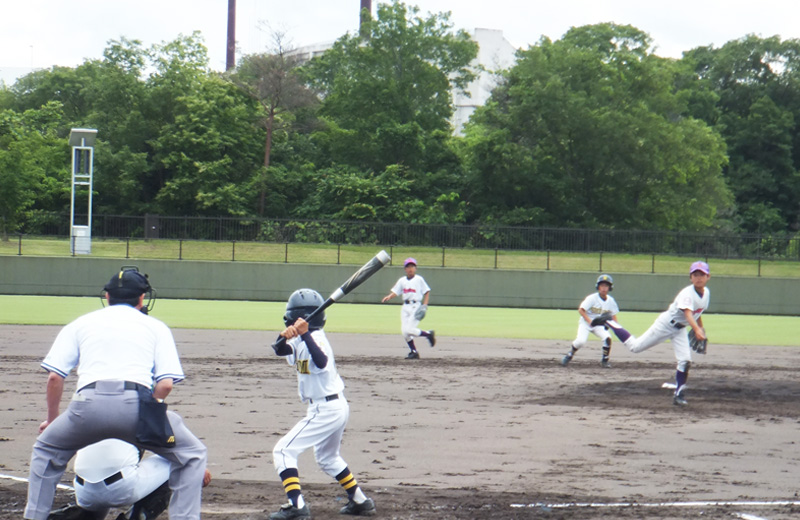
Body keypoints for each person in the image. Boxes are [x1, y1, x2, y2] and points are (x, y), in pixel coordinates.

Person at [25, 267, 208, 520]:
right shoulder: (155, 327)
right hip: (135, 405)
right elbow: (166, 385)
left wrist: (53, 419)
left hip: (85, 407)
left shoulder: (81, 323)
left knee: (45, 452)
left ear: (107, 297)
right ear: (142, 299)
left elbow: (55, 377)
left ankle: (33, 516)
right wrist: (149, 414)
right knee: (192, 456)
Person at [268, 289, 376, 519]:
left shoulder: (316, 339)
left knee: (283, 450)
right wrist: (284, 336)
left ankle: (297, 506)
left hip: (326, 409)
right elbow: (280, 350)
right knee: (328, 458)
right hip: (332, 407)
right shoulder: (299, 339)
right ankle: (360, 501)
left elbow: (321, 360)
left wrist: (304, 334)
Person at [592, 261, 711, 406]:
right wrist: (697, 330)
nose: (699, 277)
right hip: (666, 325)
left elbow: (697, 312)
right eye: (695, 275)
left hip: (679, 329)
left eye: (702, 275)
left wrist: (701, 328)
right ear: (690, 277)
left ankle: (679, 394)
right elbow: (688, 313)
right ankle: (609, 321)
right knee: (635, 347)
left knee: (685, 361)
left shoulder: (706, 294)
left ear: (708, 277)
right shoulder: (688, 293)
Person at [47, 439, 212, 520]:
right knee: (176, 464)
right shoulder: (140, 409)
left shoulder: (89, 410)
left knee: (103, 472)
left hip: (83, 493)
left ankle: (73, 515)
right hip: (122, 489)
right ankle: (137, 517)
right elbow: (171, 449)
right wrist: (196, 468)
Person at [380, 257, 435, 359]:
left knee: (409, 329)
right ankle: (414, 352)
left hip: (415, 306)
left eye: (412, 266)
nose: (410, 269)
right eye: (408, 266)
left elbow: (427, 291)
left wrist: (425, 305)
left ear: (416, 268)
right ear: (405, 269)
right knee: (404, 332)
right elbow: (396, 291)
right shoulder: (402, 280)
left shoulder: (419, 279)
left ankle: (428, 334)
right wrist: (389, 296)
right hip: (405, 307)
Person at [561, 274, 619, 368]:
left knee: (607, 338)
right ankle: (570, 354)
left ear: (609, 288)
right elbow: (581, 310)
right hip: (585, 323)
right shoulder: (592, 298)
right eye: (602, 285)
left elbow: (613, 315)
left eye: (606, 286)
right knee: (580, 341)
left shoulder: (611, 301)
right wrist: (589, 321)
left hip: (599, 324)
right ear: (598, 287)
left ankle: (605, 361)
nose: (604, 288)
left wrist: (616, 328)